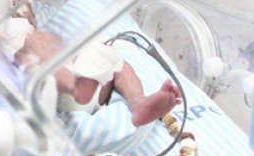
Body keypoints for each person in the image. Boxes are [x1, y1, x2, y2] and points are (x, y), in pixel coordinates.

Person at [15, 29, 180, 126]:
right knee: (121, 67)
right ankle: (137, 101)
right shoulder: (25, 39)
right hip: (66, 90)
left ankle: (139, 103)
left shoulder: (36, 36)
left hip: (86, 83)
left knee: (120, 65)